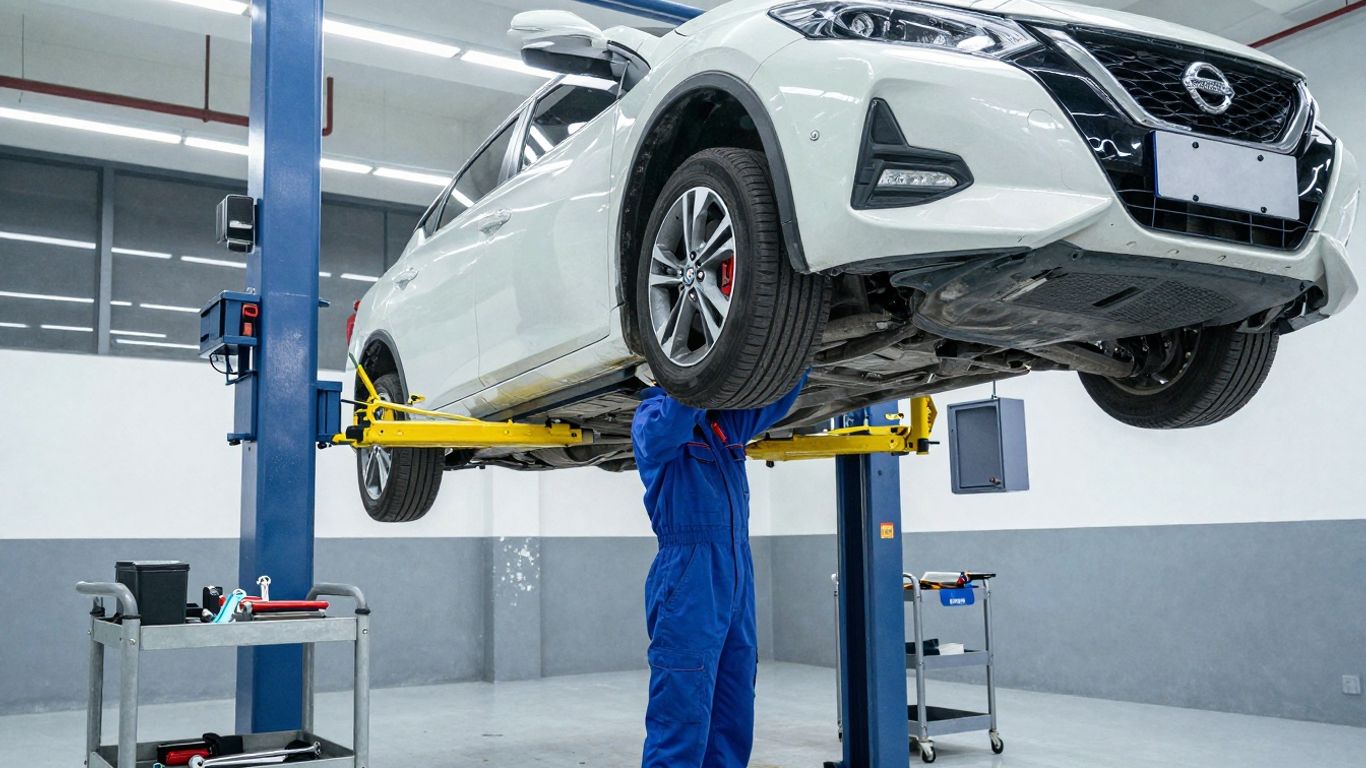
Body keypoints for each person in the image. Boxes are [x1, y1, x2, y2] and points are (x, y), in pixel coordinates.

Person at [632, 372, 808, 768]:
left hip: (736, 574)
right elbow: (672, 423)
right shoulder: (650, 417)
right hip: (688, 575)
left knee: (734, 704)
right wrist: (710, 363)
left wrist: (798, 352)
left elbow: (777, 399)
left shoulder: (723, 425)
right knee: (681, 706)